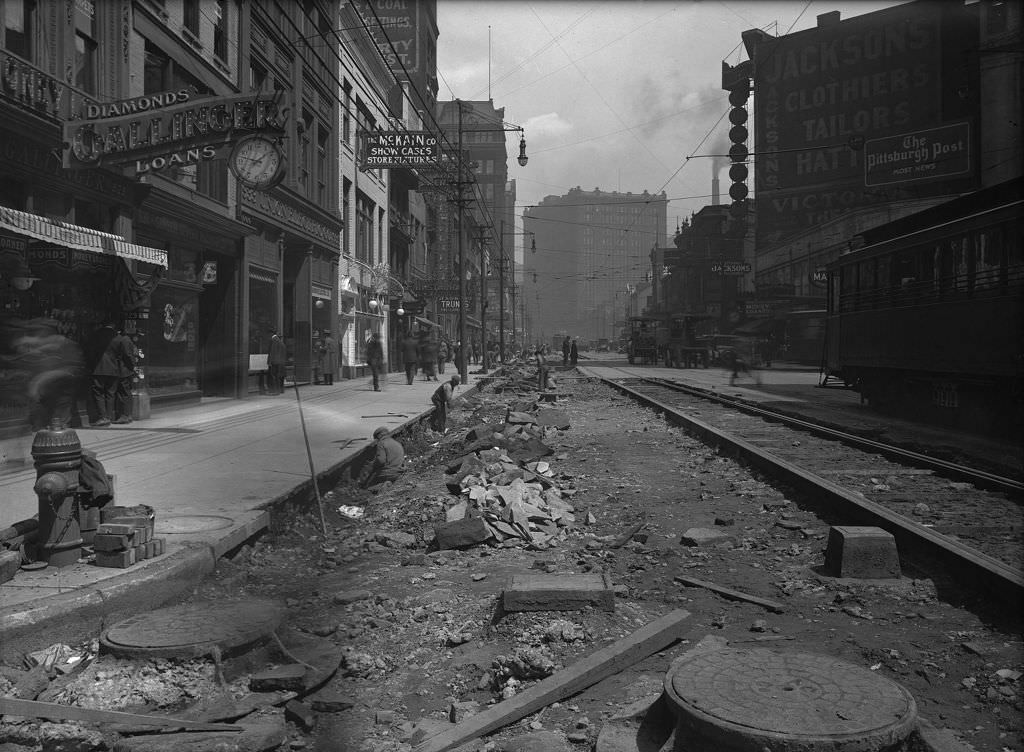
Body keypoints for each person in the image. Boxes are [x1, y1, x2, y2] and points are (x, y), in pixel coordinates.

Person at [87, 321, 135, 426]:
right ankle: (109, 416)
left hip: (98, 368)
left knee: (99, 393)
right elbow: (123, 354)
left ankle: (103, 417)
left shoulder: (96, 335)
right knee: (111, 394)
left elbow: (90, 350)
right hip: (114, 369)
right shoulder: (118, 338)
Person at [268, 330, 287, 394]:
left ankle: (275, 391)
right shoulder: (281, 342)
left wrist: (270, 362)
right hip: (281, 363)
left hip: (275, 362)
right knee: (279, 376)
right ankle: (281, 390)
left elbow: (272, 352)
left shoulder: (274, 340)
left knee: (274, 376)